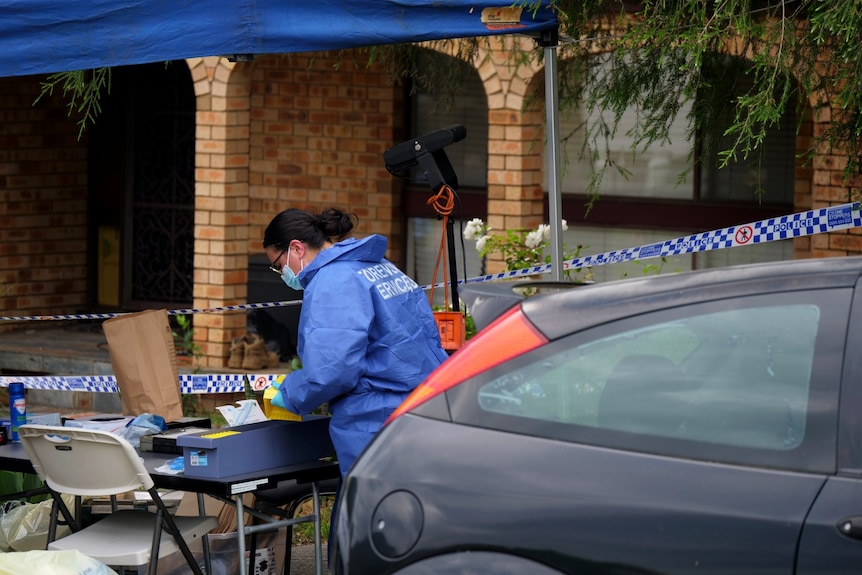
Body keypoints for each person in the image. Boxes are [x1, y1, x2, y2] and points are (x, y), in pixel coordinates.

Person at [263, 207, 449, 479]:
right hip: (424, 406)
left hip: (375, 420)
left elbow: (331, 372)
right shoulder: (380, 267)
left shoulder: (333, 281)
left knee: (376, 513)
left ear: (296, 248)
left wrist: (290, 393)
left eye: (278, 265)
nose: (282, 274)